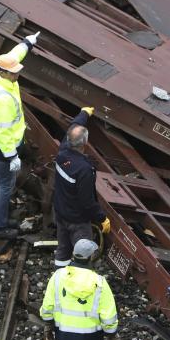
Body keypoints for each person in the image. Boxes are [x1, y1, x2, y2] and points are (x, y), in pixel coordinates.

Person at [0, 32, 40, 239]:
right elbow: (5, 131)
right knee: (5, 185)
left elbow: (13, 55)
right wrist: (12, 156)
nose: (17, 75)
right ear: (4, 73)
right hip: (3, 147)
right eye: (14, 73)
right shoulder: (3, 99)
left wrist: (27, 43)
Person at [52, 107, 111, 268]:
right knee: (83, 255)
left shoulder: (63, 152)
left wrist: (84, 114)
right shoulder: (83, 170)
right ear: (85, 143)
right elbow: (87, 201)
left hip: (61, 213)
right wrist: (102, 218)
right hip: (77, 220)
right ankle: (79, 282)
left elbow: (73, 126)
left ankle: (59, 274)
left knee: (63, 250)